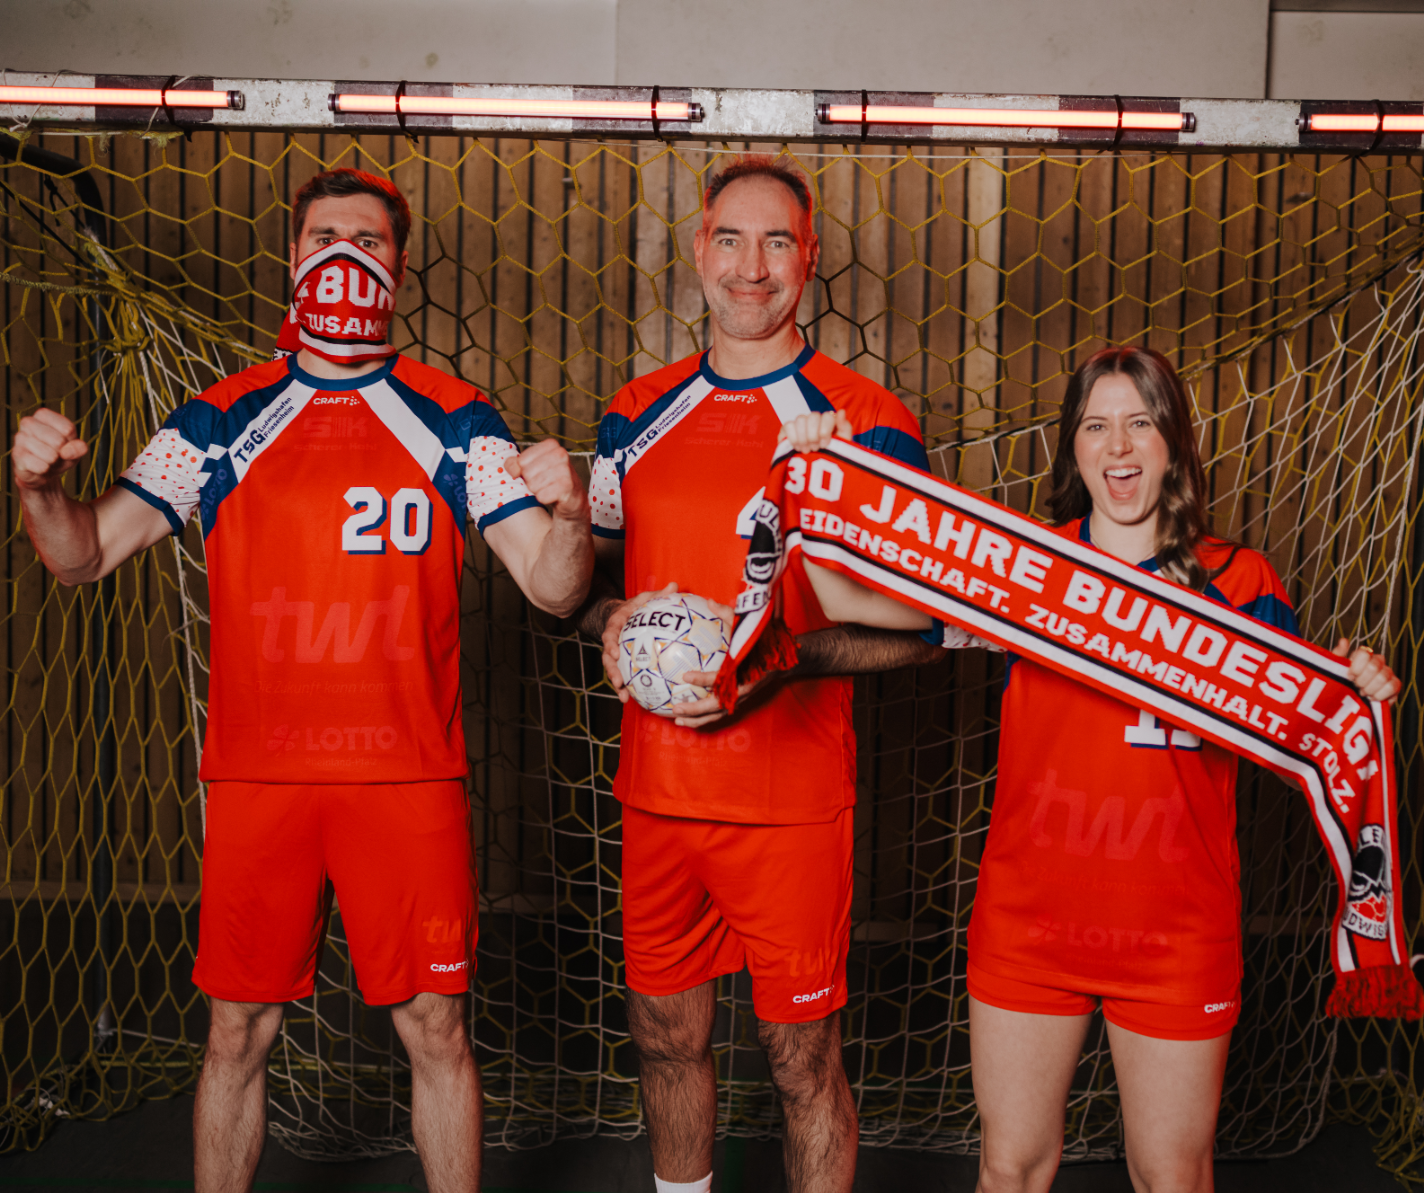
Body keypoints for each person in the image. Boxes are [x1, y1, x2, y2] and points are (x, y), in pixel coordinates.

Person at [12, 167, 594, 1193]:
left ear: (400, 266)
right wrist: (37, 487)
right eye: (324, 238)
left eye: (367, 241)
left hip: (406, 779)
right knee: (236, 1030)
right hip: (259, 779)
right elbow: (84, 554)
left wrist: (575, 515)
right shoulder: (217, 420)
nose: (343, 258)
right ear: (292, 258)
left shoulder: (457, 419)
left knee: (435, 1027)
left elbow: (551, 589)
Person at [779, 346, 1401, 1193]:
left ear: (1174, 441)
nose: (1119, 446)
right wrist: (815, 481)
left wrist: (1357, 687)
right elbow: (845, 600)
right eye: (1097, 425)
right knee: (1011, 1169)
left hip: (1177, 936)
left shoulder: (1240, 580)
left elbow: (1306, 718)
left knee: (1172, 1176)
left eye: (1141, 422)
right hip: (1030, 928)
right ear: (1072, 446)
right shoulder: (1024, 568)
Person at [576, 155, 944, 1193]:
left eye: (777, 241)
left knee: (800, 1061)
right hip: (657, 795)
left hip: (790, 803)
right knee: (663, 1038)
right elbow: (589, 586)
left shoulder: (865, 418)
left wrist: (779, 662)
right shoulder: (634, 411)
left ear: (809, 259)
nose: (751, 266)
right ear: (699, 251)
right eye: (731, 239)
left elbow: (923, 629)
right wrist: (610, 623)